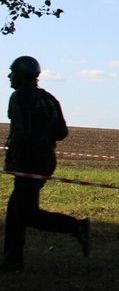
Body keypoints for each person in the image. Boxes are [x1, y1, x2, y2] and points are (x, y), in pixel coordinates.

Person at [1, 56, 90, 272]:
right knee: (15, 211)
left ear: (22, 75)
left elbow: (23, 133)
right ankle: (13, 261)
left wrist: (14, 161)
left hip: (27, 161)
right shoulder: (49, 99)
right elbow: (61, 133)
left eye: (13, 73)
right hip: (45, 160)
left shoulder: (19, 97)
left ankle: (76, 226)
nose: (9, 77)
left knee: (25, 213)